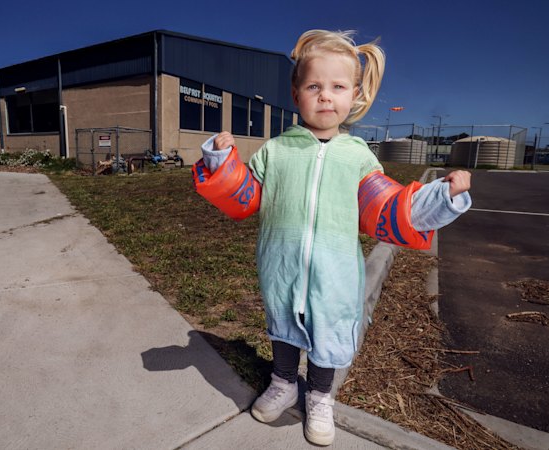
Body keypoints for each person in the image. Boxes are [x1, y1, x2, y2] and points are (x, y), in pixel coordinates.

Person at [194, 29, 471, 446]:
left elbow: (388, 209)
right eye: (314, 86)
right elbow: (245, 197)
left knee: (328, 334)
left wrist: (441, 196)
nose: (325, 96)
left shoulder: (358, 156)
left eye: (337, 87)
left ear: (354, 94)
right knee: (284, 326)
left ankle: (320, 397)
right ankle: (284, 382)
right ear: (296, 93)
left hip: (334, 274)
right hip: (282, 266)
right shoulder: (277, 150)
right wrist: (220, 161)